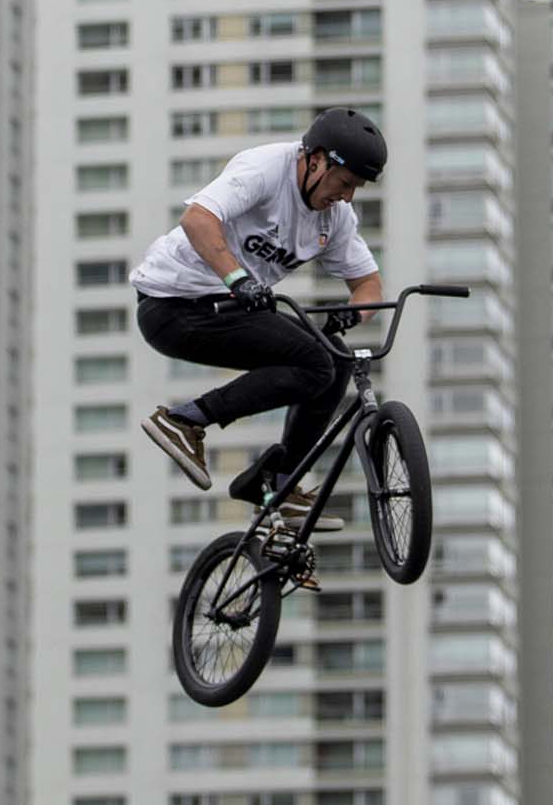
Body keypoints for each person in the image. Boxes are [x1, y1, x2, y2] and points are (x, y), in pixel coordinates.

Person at [135, 107, 387, 532]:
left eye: (355, 189)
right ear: (317, 159)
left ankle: (282, 486)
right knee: (314, 362)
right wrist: (237, 280)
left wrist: (354, 312)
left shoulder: (336, 219)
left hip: (230, 306)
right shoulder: (266, 169)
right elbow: (198, 219)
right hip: (174, 303)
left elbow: (368, 284)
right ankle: (183, 420)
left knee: (335, 359)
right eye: (343, 184)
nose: (346, 197)